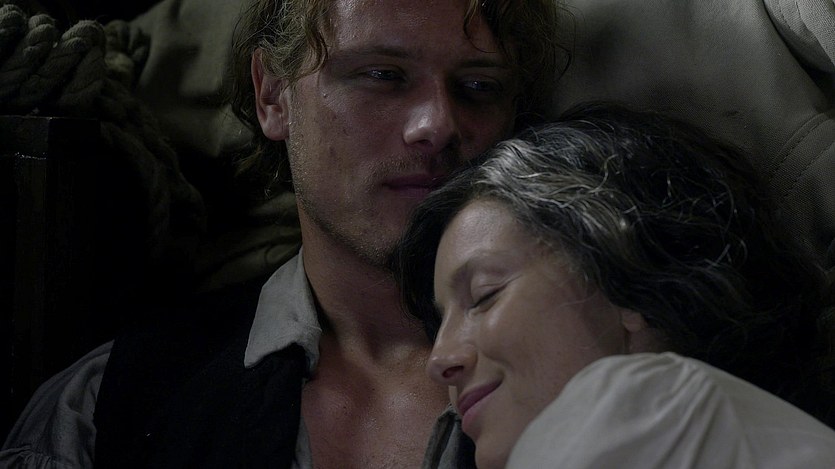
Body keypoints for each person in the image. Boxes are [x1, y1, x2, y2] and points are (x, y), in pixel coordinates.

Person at [0, 0, 564, 467]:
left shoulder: (578, 371)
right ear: (272, 94)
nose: (437, 125)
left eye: (479, 86)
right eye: (383, 75)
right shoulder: (108, 402)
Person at [393, 103, 835, 469]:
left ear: (631, 277)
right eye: (441, 322)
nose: (439, 360)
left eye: (485, 295)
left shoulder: (649, 414)